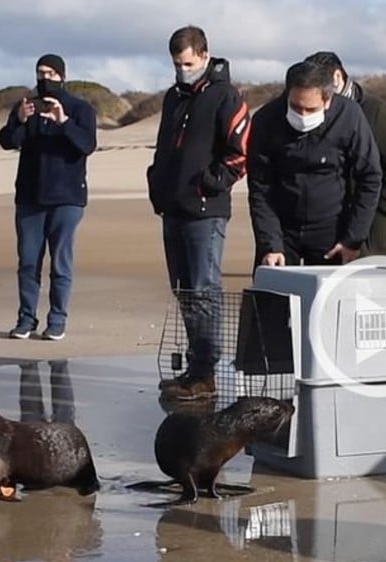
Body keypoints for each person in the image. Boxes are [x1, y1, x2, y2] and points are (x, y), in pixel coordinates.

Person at [148, 25, 251, 401]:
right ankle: (195, 367)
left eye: (188, 64)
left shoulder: (226, 96)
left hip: (206, 211)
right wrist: (157, 183)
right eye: (177, 64)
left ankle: (206, 373)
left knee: (204, 291)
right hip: (172, 207)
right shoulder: (173, 98)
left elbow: (240, 153)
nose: (182, 70)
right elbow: (164, 147)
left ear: (205, 56)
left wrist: (210, 183)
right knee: (185, 291)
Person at [0, 53, 97, 341]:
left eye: (51, 74)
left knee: (60, 264)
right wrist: (20, 120)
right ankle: (26, 319)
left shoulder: (80, 109)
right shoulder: (26, 106)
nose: (45, 79)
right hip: (30, 197)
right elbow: (7, 141)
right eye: (41, 73)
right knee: (28, 262)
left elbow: (87, 145)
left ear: (62, 76)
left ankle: (57, 320)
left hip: (67, 198)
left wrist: (63, 122)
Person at [246, 60, 382, 267]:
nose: (302, 115)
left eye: (310, 109)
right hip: (282, 229)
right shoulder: (266, 119)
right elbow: (260, 187)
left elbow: (370, 177)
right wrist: (270, 244)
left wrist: (353, 239)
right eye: (295, 107)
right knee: (273, 287)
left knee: (331, 288)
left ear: (327, 101)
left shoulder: (349, 116)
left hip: (332, 230)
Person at [302, 51, 386, 258]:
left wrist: (379, 204)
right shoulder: (312, 114)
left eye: (320, 84)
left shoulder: (377, 112)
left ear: (337, 77)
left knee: (372, 276)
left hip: (374, 232)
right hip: (328, 229)